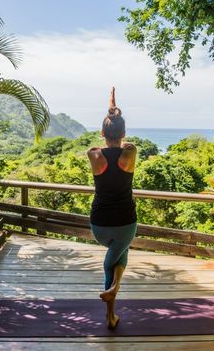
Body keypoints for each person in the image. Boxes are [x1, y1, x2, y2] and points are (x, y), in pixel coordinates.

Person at [87, 87, 138, 330]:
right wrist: (115, 113)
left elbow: (99, 147)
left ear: (102, 133)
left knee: (118, 254)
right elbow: (127, 144)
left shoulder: (94, 155)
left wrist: (111, 112)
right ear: (124, 133)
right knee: (115, 258)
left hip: (99, 224)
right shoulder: (130, 153)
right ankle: (113, 295)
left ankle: (112, 313)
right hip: (126, 222)